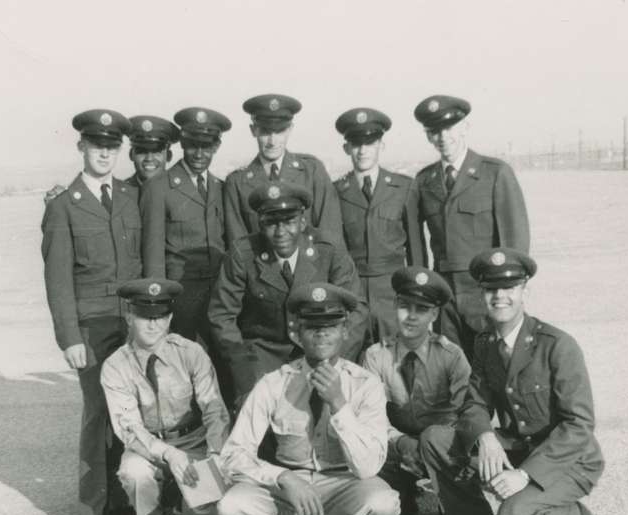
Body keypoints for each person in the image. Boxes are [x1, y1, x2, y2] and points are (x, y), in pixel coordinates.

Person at [419, 248, 604, 515]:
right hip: (519, 445)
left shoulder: (557, 346)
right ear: (482, 293)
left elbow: (579, 425)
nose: (499, 296)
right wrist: (485, 437)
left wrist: (525, 475)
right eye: (491, 289)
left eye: (509, 288)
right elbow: (474, 403)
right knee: (436, 438)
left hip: (569, 460)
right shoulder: (485, 343)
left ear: (524, 291)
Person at [217, 283, 399, 515]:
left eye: (331, 326)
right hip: (292, 488)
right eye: (311, 327)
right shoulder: (274, 384)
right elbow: (233, 453)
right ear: (296, 334)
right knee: (233, 506)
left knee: (383, 503)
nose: (321, 334)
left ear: (345, 331)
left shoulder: (366, 385)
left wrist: (340, 405)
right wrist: (280, 476)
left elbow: (370, 466)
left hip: (345, 483)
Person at [40, 108, 141, 515]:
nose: (104, 152)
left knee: (134, 411)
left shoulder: (130, 196)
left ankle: (123, 500)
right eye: (96, 144)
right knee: (99, 415)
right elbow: (58, 279)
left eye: (112, 146)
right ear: (81, 146)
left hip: (133, 324)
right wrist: (70, 338)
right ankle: (92, 513)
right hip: (94, 326)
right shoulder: (64, 206)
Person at [100, 278, 230, 515]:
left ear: (170, 318)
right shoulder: (115, 366)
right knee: (134, 474)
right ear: (129, 317)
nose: (152, 325)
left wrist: (215, 452)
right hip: (147, 443)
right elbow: (128, 427)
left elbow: (213, 407)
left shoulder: (191, 352)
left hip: (191, 439)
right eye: (144, 317)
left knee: (213, 475)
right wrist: (169, 455)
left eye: (160, 317)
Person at [209, 183, 367, 409]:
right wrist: (245, 367)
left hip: (320, 350)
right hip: (264, 354)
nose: (281, 232)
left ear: (303, 222)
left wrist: (334, 358)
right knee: (255, 409)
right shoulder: (243, 254)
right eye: (271, 223)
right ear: (260, 224)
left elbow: (357, 308)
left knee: (333, 410)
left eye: (289, 222)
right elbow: (221, 316)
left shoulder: (329, 249)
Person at [413, 95, 530, 361]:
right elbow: (418, 245)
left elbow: (515, 241)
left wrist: (508, 293)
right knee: (453, 371)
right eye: (434, 131)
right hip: (445, 297)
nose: (443, 137)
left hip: (487, 293)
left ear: (465, 127)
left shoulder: (494, 173)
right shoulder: (424, 181)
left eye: (450, 128)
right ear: (428, 137)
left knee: (498, 367)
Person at [361, 267, 469, 515]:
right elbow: (371, 415)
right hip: (399, 446)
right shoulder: (376, 355)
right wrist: (399, 441)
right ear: (395, 305)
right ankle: (404, 493)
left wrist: (433, 446)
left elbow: (465, 412)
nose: (411, 317)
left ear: (434, 313)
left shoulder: (451, 355)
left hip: (440, 443)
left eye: (421, 309)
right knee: (367, 449)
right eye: (404, 306)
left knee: (454, 513)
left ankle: (446, 489)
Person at [140, 107, 232, 352]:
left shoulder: (220, 188)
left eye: (207, 145)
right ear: (182, 144)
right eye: (192, 145)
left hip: (219, 299)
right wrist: (157, 307)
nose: (199, 153)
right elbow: (153, 255)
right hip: (181, 299)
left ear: (217, 146)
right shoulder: (159, 187)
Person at [334, 108, 424, 343]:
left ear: (381, 145)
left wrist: (418, 299)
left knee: (396, 364)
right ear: (346, 148)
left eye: (370, 142)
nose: (362, 150)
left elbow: (416, 252)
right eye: (355, 144)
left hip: (393, 296)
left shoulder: (404, 188)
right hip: (353, 295)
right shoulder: (336, 192)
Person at [223, 94, 344, 249]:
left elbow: (330, 235)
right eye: (265, 132)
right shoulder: (237, 183)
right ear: (253, 131)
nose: (272, 141)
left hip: (310, 269)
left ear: (290, 130)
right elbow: (239, 246)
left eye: (280, 131)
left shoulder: (312, 171)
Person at [126, 115, 180, 188]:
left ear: (169, 156)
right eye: (142, 151)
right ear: (131, 154)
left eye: (156, 151)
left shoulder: (181, 193)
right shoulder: (118, 195)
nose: (149, 158)